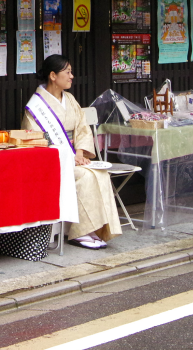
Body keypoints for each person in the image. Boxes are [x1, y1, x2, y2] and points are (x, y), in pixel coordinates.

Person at [22, 55, 122, 249]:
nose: (71, 76)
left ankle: (95, 228)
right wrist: (69, 156)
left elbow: (83, 129)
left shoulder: (70, 99)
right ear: (53, 75)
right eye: (67, 72)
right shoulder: (36, 107)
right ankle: (80, 231)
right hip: (54, 162)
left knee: (99, 174)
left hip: (74, 156)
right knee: (85, 177)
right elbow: (36, 140)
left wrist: (81, 152)